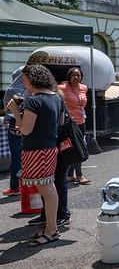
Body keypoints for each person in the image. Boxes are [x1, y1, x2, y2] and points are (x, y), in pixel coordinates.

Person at [5, 65, 63, 245]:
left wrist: (15, 111)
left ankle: (51, 230)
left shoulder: (34, 100)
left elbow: (25, 130)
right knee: (49, 189)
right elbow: (60, 122)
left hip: (37, 150)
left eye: (24, 78)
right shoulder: (56, 97)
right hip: (49, 148)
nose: (23, 82)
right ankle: (51, 228)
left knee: (47, 190)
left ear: (33, 79)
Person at [58, 67, 90, 185]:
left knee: (78, 146)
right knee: (76, 148)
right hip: (70, 123)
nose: (75, 77)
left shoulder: (83, 88)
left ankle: (70, 175)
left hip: (81, 121)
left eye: (78, 75)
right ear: (69, 77)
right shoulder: (62, 88)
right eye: (73, 75)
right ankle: (80, 175)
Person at [2, 67, 25, 196]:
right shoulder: (31, 90)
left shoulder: (11, 90)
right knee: (27, 156)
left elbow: (7, 109)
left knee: (16, 156)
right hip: (29, 125)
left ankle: (15, 187)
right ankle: (27, 185)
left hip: (14, 126)